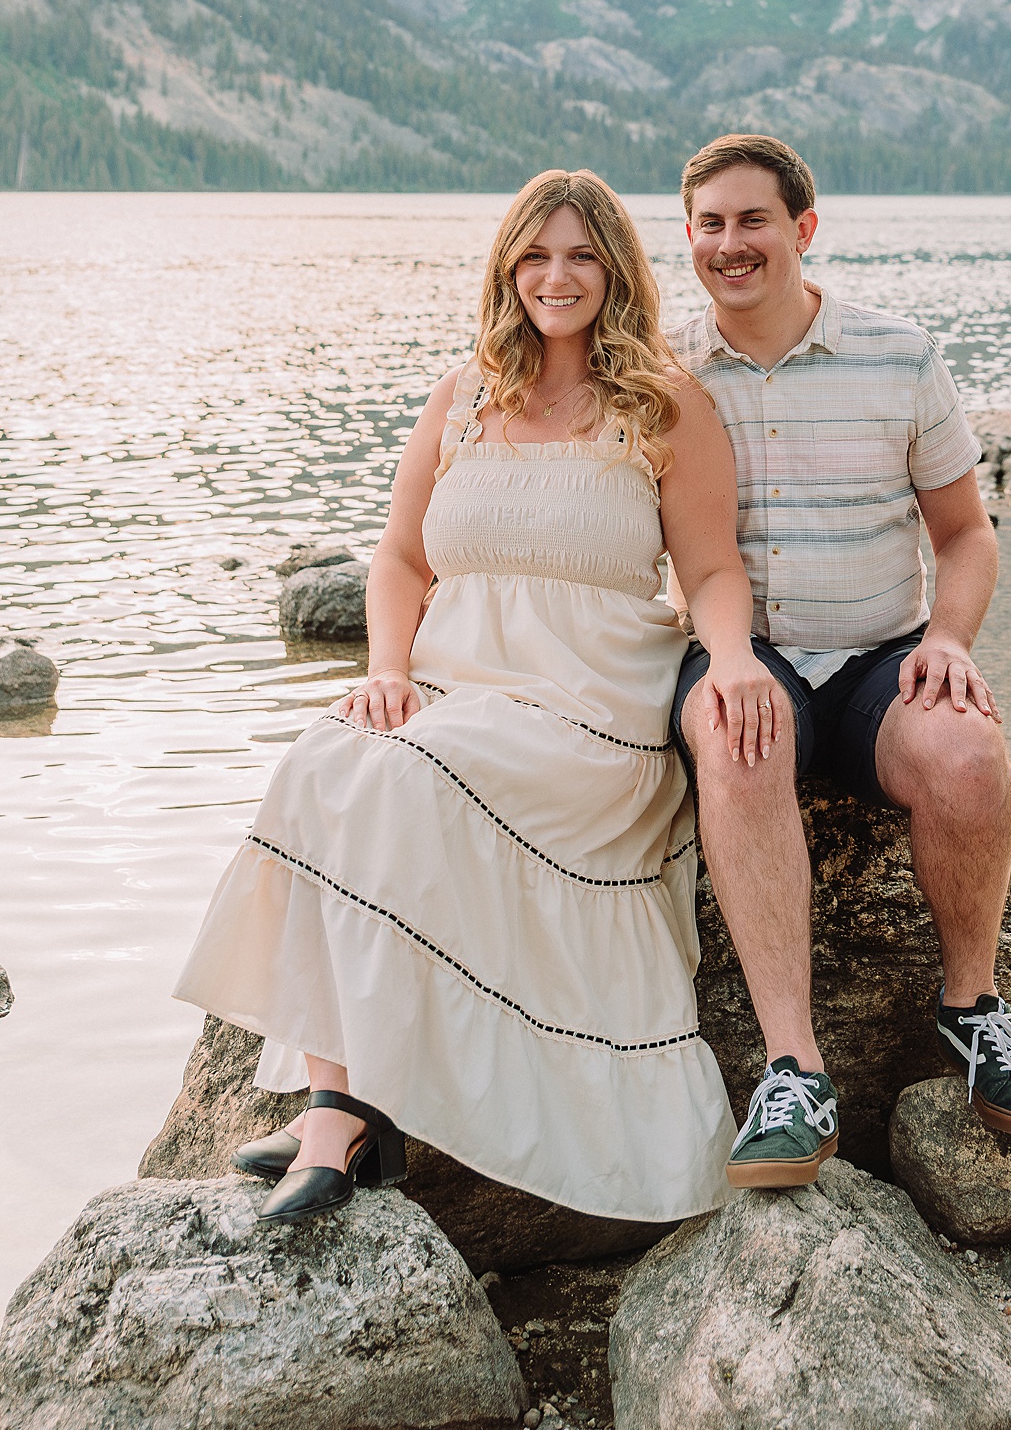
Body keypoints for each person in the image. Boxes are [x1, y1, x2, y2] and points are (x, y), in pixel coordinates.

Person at [175, 168, 769, 1228]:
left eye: (582, 255)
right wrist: (388, 669)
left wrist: (729, 659)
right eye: (536, 255)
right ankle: (343, 1103)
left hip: (586, 712)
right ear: (507, 269)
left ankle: (338, 1114)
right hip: (451, 691)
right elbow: (400, 559)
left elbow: (714, 569)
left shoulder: (664, 402)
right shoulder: (462, 397)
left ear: (617, 272)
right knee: (326, 758)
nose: (558, 275)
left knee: (401, 780)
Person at [665, 132, 1011, 1190]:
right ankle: (796, 1071)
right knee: (735, 738)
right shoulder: (662, 373)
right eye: (707, 224)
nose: (728, 244)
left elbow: (967, 535)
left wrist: (946, 642)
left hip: (882, 659)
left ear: (801, 230)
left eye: (751, 221)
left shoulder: (899, 354)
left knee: (970, 755)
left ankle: (972, 1009)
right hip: (742, 656)